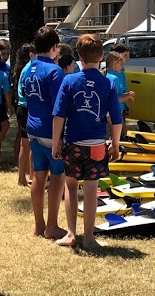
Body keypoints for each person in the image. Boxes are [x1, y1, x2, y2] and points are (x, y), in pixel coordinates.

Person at [52, 34, 123, 249]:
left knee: (71, 186)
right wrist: (116, 144)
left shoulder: (69, 80)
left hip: (73, 142)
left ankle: (71, 234)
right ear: (102, 56)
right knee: (91, 190)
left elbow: (58, 116)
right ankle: (90, 237)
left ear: (78, 57)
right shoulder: (107, 84)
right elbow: (116, 119)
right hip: (98, 144)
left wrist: (56, 143)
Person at [21, 26, 66, 238]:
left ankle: (39, 225)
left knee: (38, 176)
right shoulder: (54, 71)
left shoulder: (29, 68)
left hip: (32, 128)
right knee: (58, 176)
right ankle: (52, 226)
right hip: (50, 129)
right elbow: (59, 107)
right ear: (54, 47)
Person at [13, 42, 34, 185]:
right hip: (25, 108)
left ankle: (31, 175)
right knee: (26, 144)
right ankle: (23, 177)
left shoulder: (28, 68)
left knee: (30, 144)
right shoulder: (29, 69)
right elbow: (27, 91)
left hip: (25, 107)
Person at [105, 50, 135, 118]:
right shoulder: (114, 79)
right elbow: (115, 99)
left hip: (114, 111)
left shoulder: (109, 76)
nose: (122, 66)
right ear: (115, 64)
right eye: (121, 64)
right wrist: (128, 95)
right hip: (114, 112)